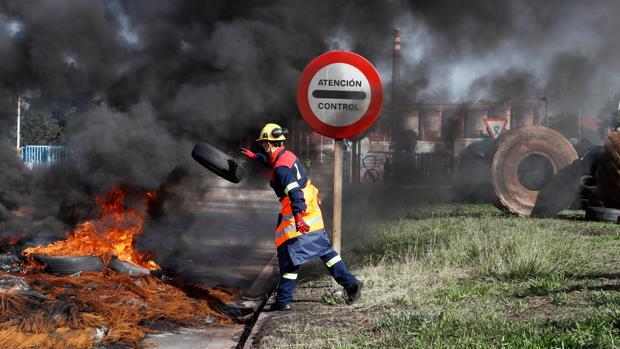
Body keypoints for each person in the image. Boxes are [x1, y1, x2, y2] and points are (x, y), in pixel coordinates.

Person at [241, 123, 363, 311]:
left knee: (288, 254)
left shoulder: (281, 169)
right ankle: (351, 283)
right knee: (324, 251)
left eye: (264, 145)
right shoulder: (286, 155)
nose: (263, 147)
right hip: (310, 210)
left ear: (269, 144)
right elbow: (272, 162)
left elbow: (295, 192)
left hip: (299, 212)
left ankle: (283, 301)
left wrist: (298, 217)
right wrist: (256, 157)